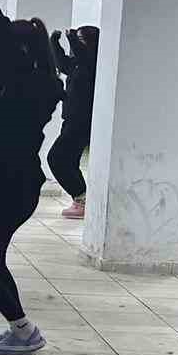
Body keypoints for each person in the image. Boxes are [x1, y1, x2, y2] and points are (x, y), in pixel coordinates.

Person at [0, 0, 63, 355]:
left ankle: (25, 330)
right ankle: (19, 328)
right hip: (7, 184)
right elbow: (2, 52)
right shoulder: (26, 83)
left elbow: (5, 54)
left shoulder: (32, 86)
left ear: (20, 51)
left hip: (15, 187)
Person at [47, 26, 100, 219]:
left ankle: (81, 197)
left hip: (81, 121)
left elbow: (85, 57)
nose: (76, 44)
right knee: (69, 162)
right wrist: (54, 43)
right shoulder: (78, 64)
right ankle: (81, 200)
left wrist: (71, 38)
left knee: (56, 158)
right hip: (70, 119)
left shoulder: (93, 63)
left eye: (81, 40)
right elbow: (62, 64)